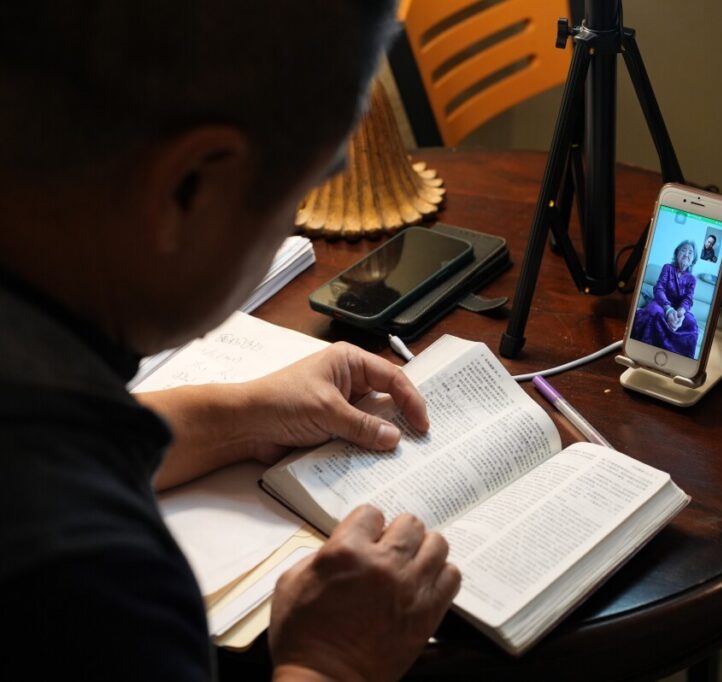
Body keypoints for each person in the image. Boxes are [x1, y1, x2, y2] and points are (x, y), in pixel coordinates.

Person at [0, 2, 460, 680]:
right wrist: (329, 663)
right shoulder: (92, 585)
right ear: (191, 188)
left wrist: (240, 417)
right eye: (300, 193)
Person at [631, 241, 700, 358]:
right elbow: (659, 288)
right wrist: (668, 309)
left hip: (679, 309)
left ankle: (679, 360)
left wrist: (680, 313)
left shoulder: (692, 279)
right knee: (654, 312)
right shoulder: (668, 268)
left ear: (693, 259)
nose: (686, 254)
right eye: (683, 250)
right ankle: (644, 353)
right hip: (661, 303)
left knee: (691, 324)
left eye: (690, 252)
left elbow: (688, 299)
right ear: (677, 253)